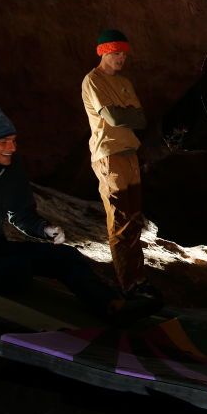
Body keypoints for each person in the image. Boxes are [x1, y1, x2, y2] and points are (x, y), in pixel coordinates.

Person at [0, 104, 159, 324]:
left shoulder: (10, 167)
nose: (12, 148)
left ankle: (112, 305)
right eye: (3, 142)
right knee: (14, 273)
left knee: (65, 257)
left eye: (13, 140)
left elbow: (21, 213)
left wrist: (44, 229)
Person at [81, 29, 159, 300]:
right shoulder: (93, 81)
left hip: (129, 152)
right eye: (115, 53)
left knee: (134, 217)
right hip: (108, 154)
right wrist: (125, 112)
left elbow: (140, 119)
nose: (121, 58)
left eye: (124, 53)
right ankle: (128, 283)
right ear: (103, 52)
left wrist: (125, 113)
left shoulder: (124, 81)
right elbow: (114, 118)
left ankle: (139, 278)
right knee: (120, 219)